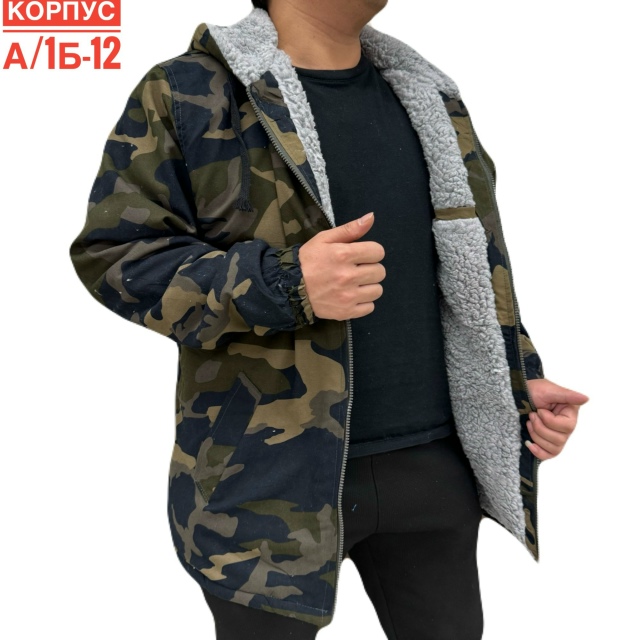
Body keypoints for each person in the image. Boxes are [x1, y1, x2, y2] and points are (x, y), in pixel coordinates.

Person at [69, 1, 589, 638]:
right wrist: (285, 283)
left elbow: (474, 272)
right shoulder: (189, 92)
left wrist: (516, 381)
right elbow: (115, 258)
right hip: (263, 487)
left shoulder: (428, 96)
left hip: (433, 473)